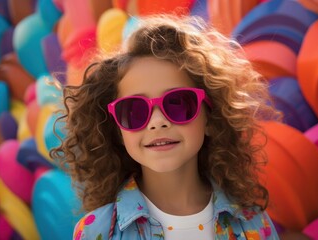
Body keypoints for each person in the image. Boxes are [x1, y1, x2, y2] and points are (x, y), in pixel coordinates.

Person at [51, 14, 280, 240]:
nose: (157, 121)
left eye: (178, 103)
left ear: (210, 117)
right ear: (118, 131)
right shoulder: (96, 232)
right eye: (134, 111)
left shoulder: (253, 224)